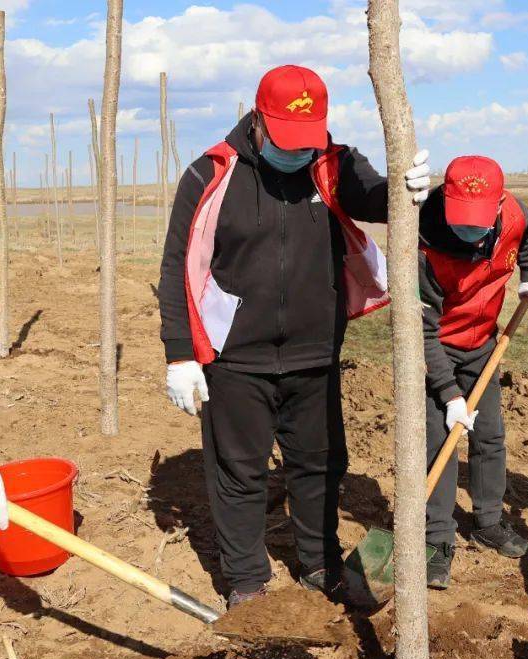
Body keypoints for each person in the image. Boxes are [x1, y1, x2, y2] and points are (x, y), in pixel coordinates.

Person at [157, 65, 431, 608]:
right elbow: (176, 267)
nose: (299, 152)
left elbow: (374, 196)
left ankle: (319, 563)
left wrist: (408, 187)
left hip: (315, 353)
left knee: (320, 464)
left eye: (308, 140)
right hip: (235, 359)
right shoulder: (210, 175)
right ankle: (246, 580)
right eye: (287, 141)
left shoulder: (332, 163)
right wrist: (180, 355)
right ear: (258, 119)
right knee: (240, 472)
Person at [418, 155, 528, 589]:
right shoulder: (424, 245)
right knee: (441, 442)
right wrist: (450, 394)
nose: (468, 229)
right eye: (461, 219)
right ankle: (436, 539)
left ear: (498, 205)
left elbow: (525, 235)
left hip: (484, 344)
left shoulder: (514, 213)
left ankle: (488, 521)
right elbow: (423, 333)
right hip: (440, 348)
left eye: (478, 220)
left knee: (489, 435)